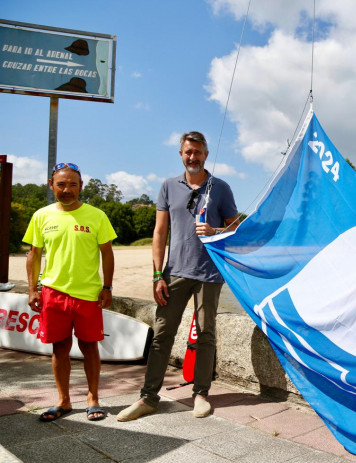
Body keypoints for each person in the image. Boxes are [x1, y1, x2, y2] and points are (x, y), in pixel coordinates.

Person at [118, 131, 239, 421]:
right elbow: (160, 232)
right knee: (162, 335)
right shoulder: (168, 186)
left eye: (198, 152)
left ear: (206, 154)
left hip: (209, 273)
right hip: (173, 272)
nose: (193, 157)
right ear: (181, 154)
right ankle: (148, 398)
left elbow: (236, 229)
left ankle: (201, 394)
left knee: (206, 335)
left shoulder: (220, 187)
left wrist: (215, 231)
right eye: (188, 152)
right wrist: (157, 274)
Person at [24, 162, 116, 422]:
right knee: (60, 348)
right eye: (61, 184)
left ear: (81, 186)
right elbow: (34, 255)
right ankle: (63, 401)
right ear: (51, 185)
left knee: (90, 347)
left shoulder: (97, 216)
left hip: (88, 294)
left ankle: (92, 398)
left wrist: (107, 287)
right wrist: (33, 290)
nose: (67, 189)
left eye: (73, 184)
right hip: (53, 293)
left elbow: (107, 253)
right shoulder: (41, 215)